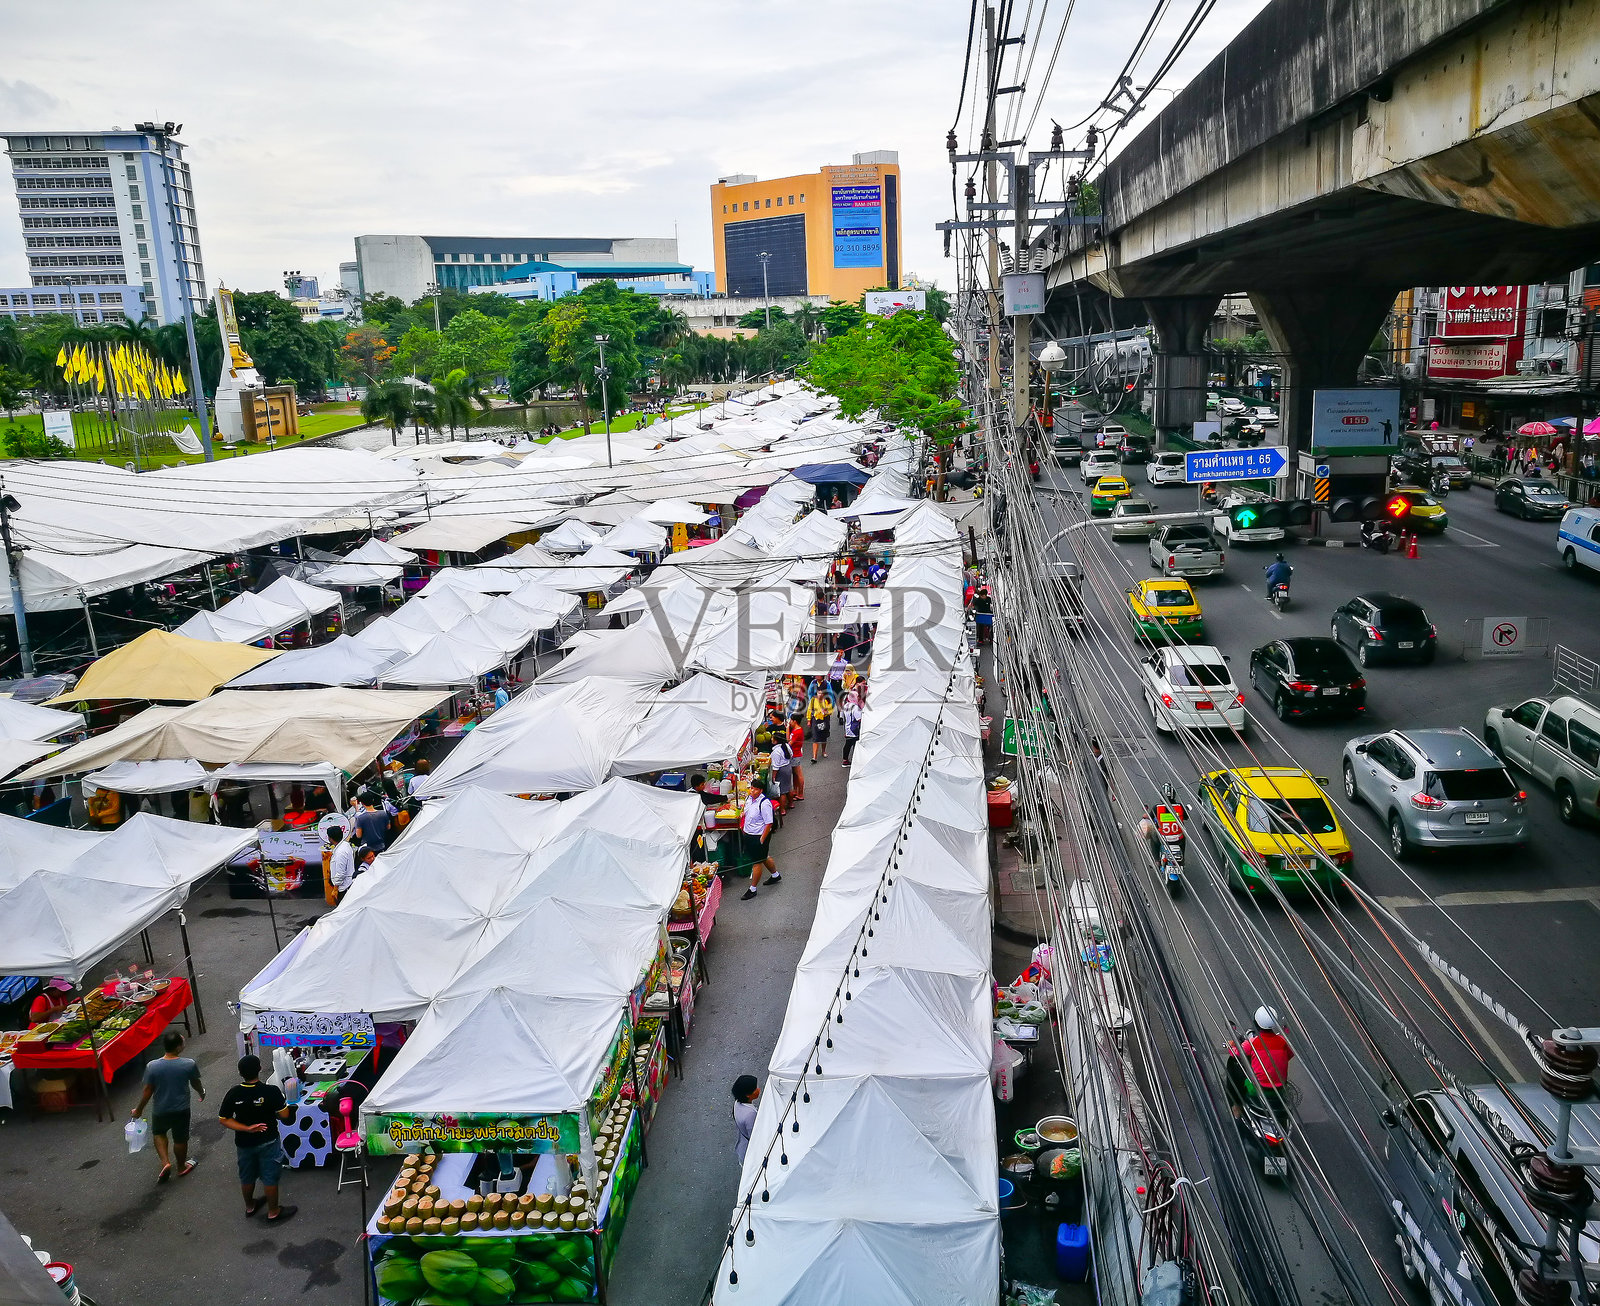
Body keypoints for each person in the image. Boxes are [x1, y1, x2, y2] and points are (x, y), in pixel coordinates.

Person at [219, 1054, 296, 1223]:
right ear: (260, 1069)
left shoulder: (234, 1093)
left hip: (244, 1143)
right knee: (269, 1176)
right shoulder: (271, 1091)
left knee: (246, 1176)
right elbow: (284, 1115)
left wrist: (246, 1128)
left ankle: (250, 1206)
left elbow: (224, 1118)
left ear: (240, 1073)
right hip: (268, 1140)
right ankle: (273, 1211)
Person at [131, 1032, 204, 1182]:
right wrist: (201, 1092)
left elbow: (148, 1091)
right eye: (182, 1042)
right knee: (180, 1138)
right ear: (178, 1047)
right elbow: (196, 1083)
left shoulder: (152, 1066)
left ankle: (165, 1163)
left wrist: (138, 1110)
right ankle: (181, 1167)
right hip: (181, 1109)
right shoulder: (188, 1064)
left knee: (159, 1133)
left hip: (160, 1109)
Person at [1228, 1006, 1293, 1122]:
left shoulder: (1253, 1042)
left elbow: (1236, 1053)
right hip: (1280, 1089)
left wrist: (1231, 1045)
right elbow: (1289, 1055)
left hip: (1257, 1089)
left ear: (1256, 1023)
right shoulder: (1282, 1041)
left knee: (1235, 1071)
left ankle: (1237, 1106)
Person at [738, 789, 778, 901]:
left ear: (760, 790)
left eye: (755, 789)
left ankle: (753, 889)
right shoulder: (749, 799)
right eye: (751, 788)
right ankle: (775, 875)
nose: (752, 790)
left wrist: (762, 839)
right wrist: (743, 814)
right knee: (763, 856)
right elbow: (747, 811)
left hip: (759, 836)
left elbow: (769, 823)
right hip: (749, 834)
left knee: (757, 862)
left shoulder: (765, 803)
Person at [352, 790, 391, 859]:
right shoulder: (383, 813)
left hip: (368, 850)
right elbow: (388, 827)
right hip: (382, 845)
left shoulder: (361, 818)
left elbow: (358, 835)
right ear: (373, 800)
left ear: (362, 803)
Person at [731, 1075, 760, 1162]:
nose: (758, 1090)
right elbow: (755, 1137)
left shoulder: (737, 1103)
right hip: (750, 1155)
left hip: (742, 1146)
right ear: (747, 1095)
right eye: (755, 1089)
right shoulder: (750, 1115)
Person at [326, 825, 356, 902]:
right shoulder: (345, 845)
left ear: (330, 838)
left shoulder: (340, 852)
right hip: (347, 884)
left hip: (343, 888)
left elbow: (340, 873)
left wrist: (335, 889)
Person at [769, 733, 795, 814]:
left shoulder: (776, 752)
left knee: (782, 791)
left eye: (772, 738)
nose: (771, 739)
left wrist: (773, 777)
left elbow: (776, 767)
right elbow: (791, 755)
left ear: (776, 741)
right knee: (788, 787)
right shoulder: (786, 746)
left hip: (781, 770)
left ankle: (782, 809)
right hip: (788, 767)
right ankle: (791, 803)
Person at [808, 686, 831, 761]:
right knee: (815, 737)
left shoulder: (827, 700)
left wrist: (826, 712)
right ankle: (814, 756)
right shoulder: (813, 700)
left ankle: (823, 751)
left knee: (823, 736)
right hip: (816, 720)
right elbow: (809, 709)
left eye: (821, 693)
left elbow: (830, 710)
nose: (820, 695)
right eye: (818, 693)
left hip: (824, 720)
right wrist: (809, 720)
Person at [786, 718, 805, 801]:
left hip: (795, 754)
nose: (790, 722)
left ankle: (800, 794)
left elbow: (789, 742)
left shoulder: (797, 731)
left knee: (798, 774)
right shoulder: (796, 730)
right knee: (795, 774)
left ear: (795, 721)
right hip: (794, 754)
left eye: (791, 721)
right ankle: (796, 791)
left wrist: (787, 728)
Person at [841, 697, 863, 767]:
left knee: (847, 744)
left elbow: (842, 716)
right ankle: (856, 761)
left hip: (847, 728)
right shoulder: (855, 707)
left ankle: (845, 760)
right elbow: (859, 718)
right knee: (855, 745)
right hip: (854, 729)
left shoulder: (846, 705)